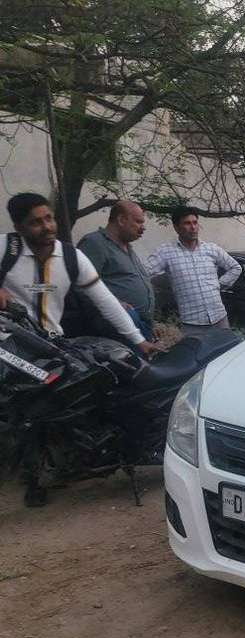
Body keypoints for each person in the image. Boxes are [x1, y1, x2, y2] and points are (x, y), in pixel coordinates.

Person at [0, 192, 157, 507]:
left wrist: (139, 341)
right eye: (35, 222)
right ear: (18, 226)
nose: (46, 227)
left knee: (59, 405)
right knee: (18, 411)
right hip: (8, 348)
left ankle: (44, 472)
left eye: (49, 218)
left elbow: (106, 301)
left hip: (50, 345)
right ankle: (25, 474)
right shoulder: (6, 249)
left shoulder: (71, 257)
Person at [145, 206, 241, 337]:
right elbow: (142, 273)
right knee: (198, 357)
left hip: (220, 318)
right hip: (192, 324)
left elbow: (235, 267)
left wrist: (218, 285)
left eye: (195, 222)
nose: (193, 227)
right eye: (187, 223)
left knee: (225, 355)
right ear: (176, 227)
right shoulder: (165, 252)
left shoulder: (211, 249)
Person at [77, 200, 155, 340]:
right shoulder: (94, 243)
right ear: (121, 220)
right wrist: (116, 304)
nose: (143, 228)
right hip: (115, 330)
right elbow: (81, 287)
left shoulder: (128, 247)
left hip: (139, 327)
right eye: (138, 222)